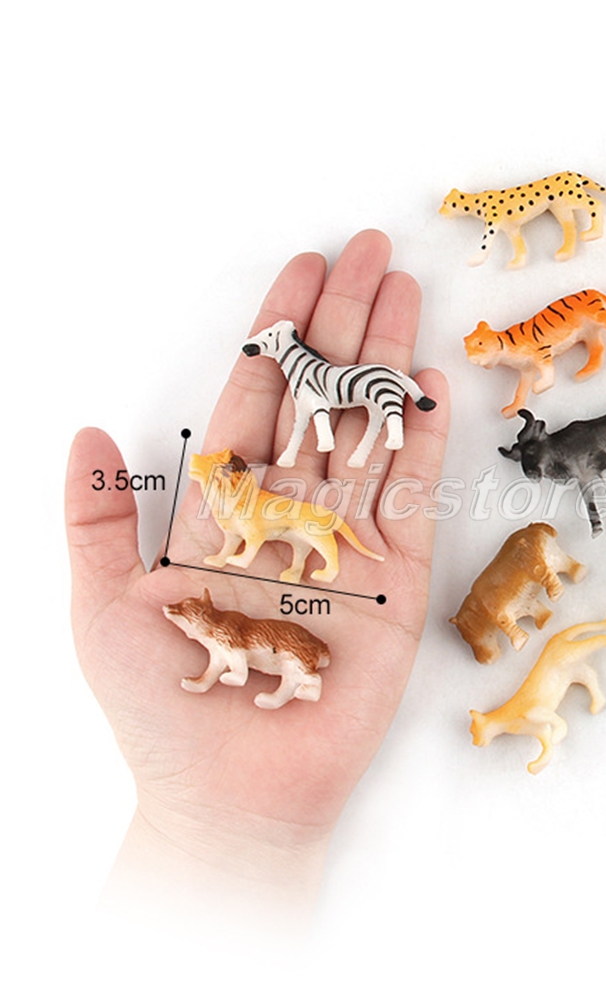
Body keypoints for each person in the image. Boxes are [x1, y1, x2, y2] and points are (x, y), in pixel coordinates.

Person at [63, 231, 449, 931]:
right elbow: (239, 550)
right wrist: (218, 834)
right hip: (270, 577)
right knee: (297, 549)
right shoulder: (226, 555)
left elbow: (250, 562)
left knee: (313, 547)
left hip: (283, 576)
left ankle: (310, 597)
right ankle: (306, 573)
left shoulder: (236, 584)